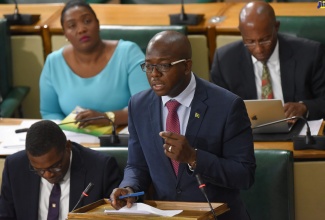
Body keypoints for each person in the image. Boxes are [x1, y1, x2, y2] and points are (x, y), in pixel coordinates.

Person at [110, 30, 256, 220]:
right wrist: (129, 187)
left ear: (187, 66)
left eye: (163, 65)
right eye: (148, 65)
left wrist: (194, 158)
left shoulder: (227, 106)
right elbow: (137, 165)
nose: (154, 74)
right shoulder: (138, 105)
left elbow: (244, 175)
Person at [39, 0, 150, 128]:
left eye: (87, 21)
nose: (81, 29)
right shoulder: (53, 62)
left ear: (97, 24)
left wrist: (108, 118)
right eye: (72, 25)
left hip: (124, 136)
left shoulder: (128, 53)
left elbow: (145, 106)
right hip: (73, 141)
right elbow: (50, 112)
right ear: (65, 34)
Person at [210, 1, 325, 120]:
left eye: (265, 40)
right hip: (246, 132)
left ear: (276, 27)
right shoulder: (224, 61)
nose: (259, 49)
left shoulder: (310, 54)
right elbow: (215, 106)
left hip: (297, 130)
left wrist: (304, 107)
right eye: (250, 42)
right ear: (241, 32)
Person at [0, 120, 122, 220]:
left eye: (55, 166)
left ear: (68, 147)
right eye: (38, 170)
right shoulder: (15, 167)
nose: (47, 174)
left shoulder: (101, 168)